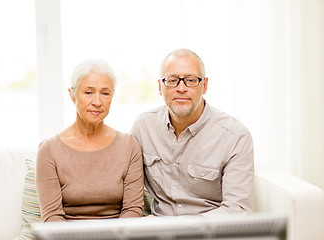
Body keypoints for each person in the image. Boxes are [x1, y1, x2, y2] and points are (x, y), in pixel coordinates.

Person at [131, 48, 254, 216]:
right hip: (157, 229)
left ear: (204, 85)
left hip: (209, 232)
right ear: (160, 86)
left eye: (191, 80)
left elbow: (238, 209)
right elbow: (129, 189)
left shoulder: (235, 136)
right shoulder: (143, 127)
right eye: (172, 80)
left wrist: (184, 229)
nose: (181, 88)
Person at [36, 59, 144, 222]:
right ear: (72, 95)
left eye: (105, 93)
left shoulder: (129, 146)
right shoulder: (49, 149)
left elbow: (133, 210)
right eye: (88, 92)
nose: (97, 102)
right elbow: (52, 217)